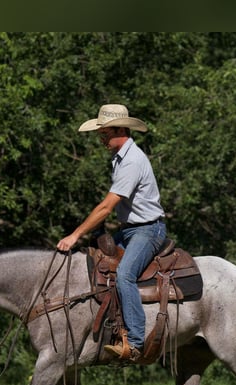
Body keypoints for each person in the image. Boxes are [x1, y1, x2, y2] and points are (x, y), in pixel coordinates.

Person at [57, 104, 166, 362]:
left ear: (120, 129)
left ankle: (135, 342)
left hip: (148, 231)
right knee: (92, 262)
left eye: (104, 132)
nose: (101, 137)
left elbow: (106, 207)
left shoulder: (132, 161)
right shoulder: (120, 158)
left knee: (126, 274)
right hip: (130, 231)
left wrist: (75, 235)